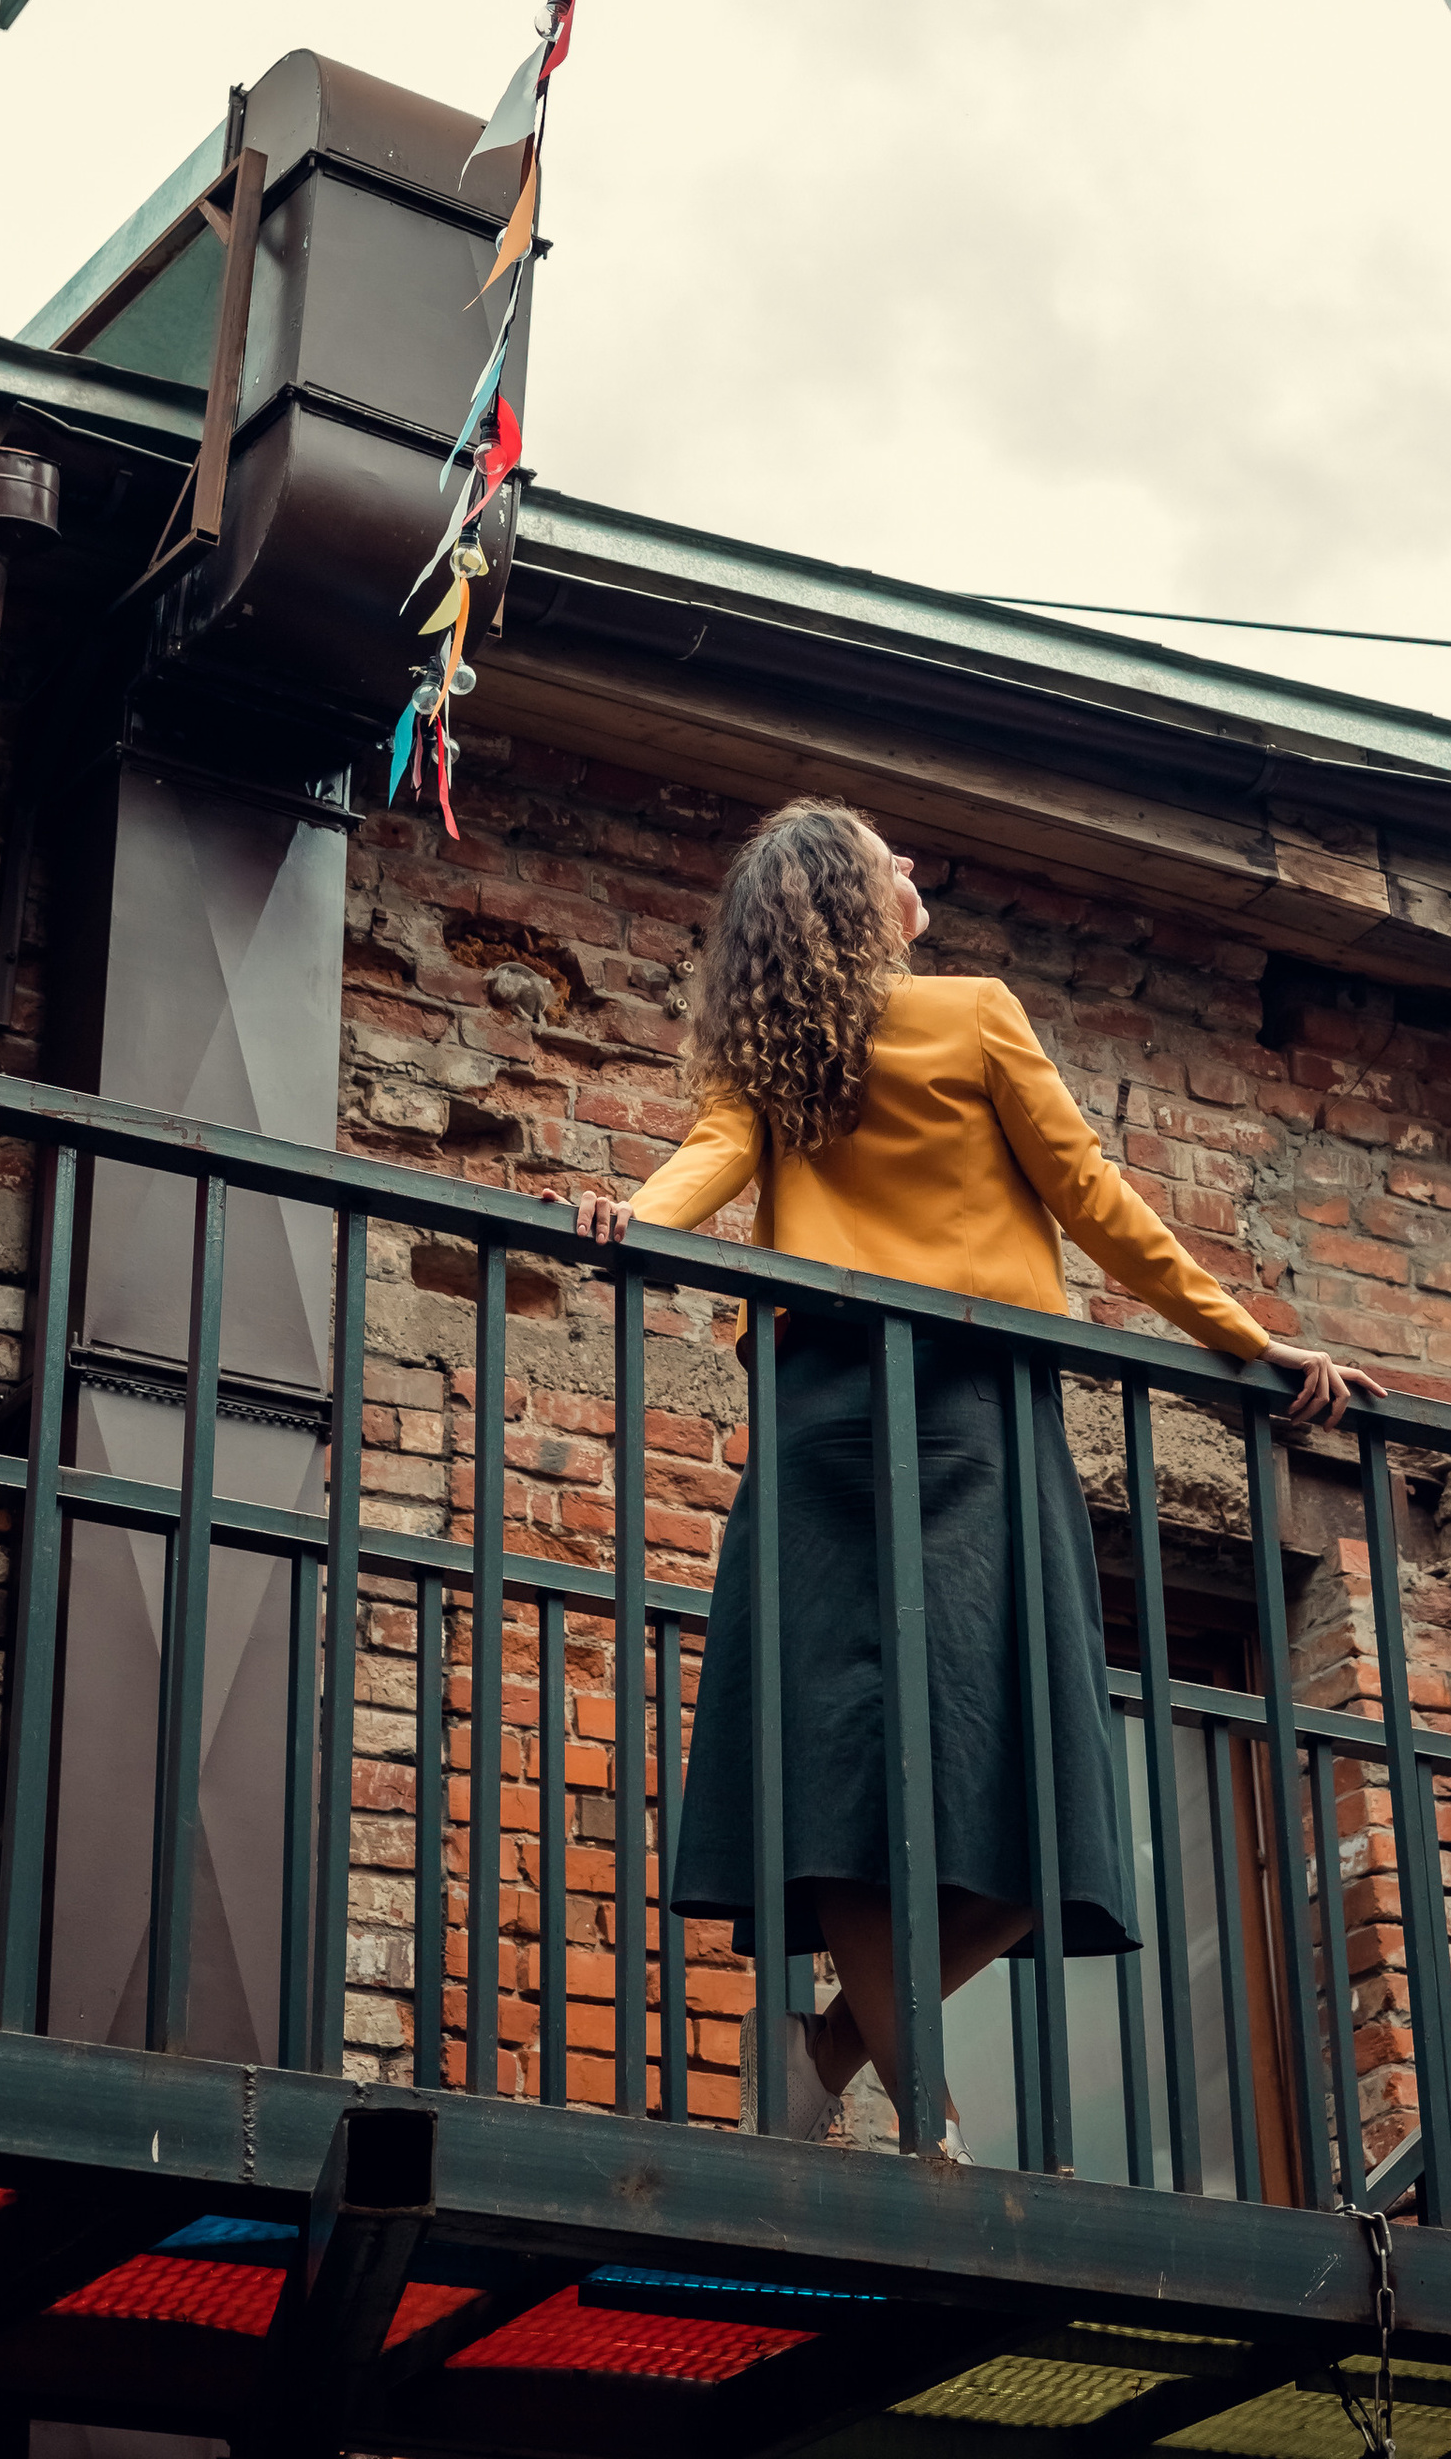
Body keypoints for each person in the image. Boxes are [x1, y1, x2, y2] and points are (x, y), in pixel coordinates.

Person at [566, 795, 1382, 2159]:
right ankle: (919, 2115)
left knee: (857, 1774)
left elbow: (709, 1162)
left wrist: (630, 1218)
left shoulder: (780, 1051)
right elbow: (1096, 1200)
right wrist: (1248, 1337)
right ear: (857, 899)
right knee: (1019, 1773)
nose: (910, 863)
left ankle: (835, 2050)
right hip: (969, 1417)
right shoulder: (975, 1015)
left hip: (824, 1418)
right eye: (886, 854)